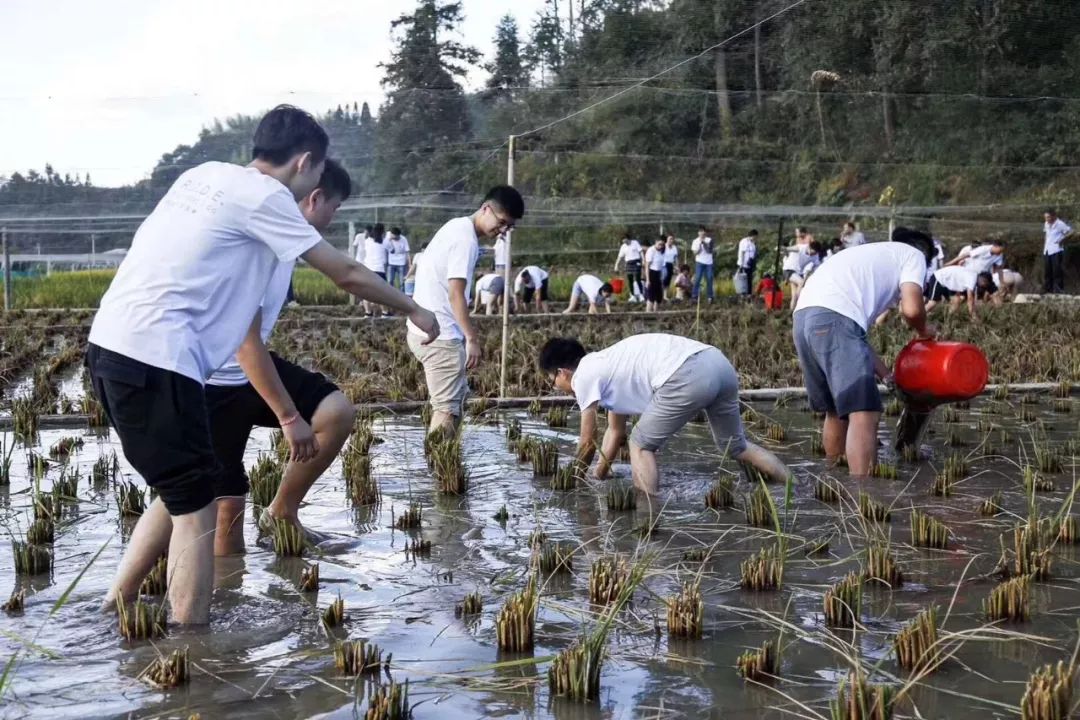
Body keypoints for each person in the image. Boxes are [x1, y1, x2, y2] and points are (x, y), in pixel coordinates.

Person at [86, 106, 439, 625]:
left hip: (111, 347)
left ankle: (115, 603)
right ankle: (191, 640)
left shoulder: (201, 174)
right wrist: (413, 307)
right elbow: (344, 272)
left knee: (184, 492)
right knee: (198, 512)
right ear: (305, 163)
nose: (316, 187)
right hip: (158, 358)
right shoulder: (269, 196)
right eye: (319, 174)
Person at [209, 159, 357, 556]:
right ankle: (224, 599)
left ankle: (282, 513)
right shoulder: (258, 236)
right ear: (315, 198)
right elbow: (242, 339)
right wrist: (289, 416)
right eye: (335, 207)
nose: (333, 216)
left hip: (247, 369)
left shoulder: (289, 241)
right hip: (210, 379)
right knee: (228, 514)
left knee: (335, 411)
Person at [538, 335, 790, 496]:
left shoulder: (583, 376)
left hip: (688, 373)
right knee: (736, 446)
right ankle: (794, 486)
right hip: (717, 363)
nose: (556, 387)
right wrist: (598, 474)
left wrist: (571, 483)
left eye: (552, 382)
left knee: (640, 444)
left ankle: (648, 514)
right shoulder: (608, 367)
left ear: (563, 373)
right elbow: (614, 433)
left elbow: (586, 442)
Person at [792, 227, 936, 478]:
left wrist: (887, 376)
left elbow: (853, 339)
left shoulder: (869, 259)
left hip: (804, 319)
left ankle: (834, 480)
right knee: (864, 411)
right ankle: (863, 495)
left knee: (836, 410)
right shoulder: (914, 256)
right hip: (833, 319)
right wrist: (925, 331)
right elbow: (912, 310)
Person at [409, 185, 524, 435]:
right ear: (486, 209)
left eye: (508, 227)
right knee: (447, 409)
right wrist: (471, 338)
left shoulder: (456, 225)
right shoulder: (466, 241)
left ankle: (445, 464)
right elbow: (455, 294)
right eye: (501, 222)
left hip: (427, 328)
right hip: (441, 336)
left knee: (453, 402)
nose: (502, 230)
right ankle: (439, 469)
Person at [783, 240, 822, 310]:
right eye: (812, 252)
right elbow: (787, 249)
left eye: (814, 254)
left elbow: (817, 266)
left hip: (798, 273)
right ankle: (799, 302)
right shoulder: (801, 248)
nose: (811, 255)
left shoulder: (815, 256)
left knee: (794, 296)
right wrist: (784, 249)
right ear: (809, 247)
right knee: (801, 282)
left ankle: (790, 313)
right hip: (788, 269)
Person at [1043, 209, 1072, 294]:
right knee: (1047, 271)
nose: (1047, 219)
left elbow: (1070, 231)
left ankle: (1059, 290)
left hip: (1056, 250)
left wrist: (1062, 240)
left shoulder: (1060, 224)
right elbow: (1046, 235)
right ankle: (1048, 290)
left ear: (1053, 216)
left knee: (1057, 271)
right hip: (1047, 250)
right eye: (1045, 217)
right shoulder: (1046, 224)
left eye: (1048, 217)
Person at [362, 224, 388, 317]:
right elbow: (392, 250)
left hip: (368, 269)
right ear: (382, 232)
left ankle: (368, 312)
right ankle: (385, 312)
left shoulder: (367, 241)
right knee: (382, 293)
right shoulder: (385, 242)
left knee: (366, 293)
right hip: (379, 270)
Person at [614, 233, 644, 303]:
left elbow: (641, 252)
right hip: (628, 263)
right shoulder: (623, 246)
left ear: (628, 238)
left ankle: (641, 295)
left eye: (624, 240)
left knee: (637, 278)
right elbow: (619, 257)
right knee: (630, 280)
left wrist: (643, 260)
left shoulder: (635, 243)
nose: (624, 242)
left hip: (636, 262)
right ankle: (632, 296)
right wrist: (616, 265)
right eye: (622, 241)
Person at [690, 226, 715, 303]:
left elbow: (710, 251)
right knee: (697, 278)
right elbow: (695, 253)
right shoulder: (695, 241)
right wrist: (699, 248)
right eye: (700, 231)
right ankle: (694, 296)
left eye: (703, 231)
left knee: (709, 278)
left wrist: (704, 244)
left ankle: (710, 296)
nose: (702, 233)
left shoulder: (709, 240)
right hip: (699, 262)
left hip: (709, 263)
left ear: (705, 232)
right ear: (698, 233)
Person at [643, 236, 666, 312]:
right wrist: (648, 280)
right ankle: (648, 315)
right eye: (659, 244)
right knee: (651, 297)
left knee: (658, 298)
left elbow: (662, 265)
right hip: (651, 273)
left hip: (658, 274)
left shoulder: (663, 250)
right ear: (656, 242)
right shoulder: (651, 250)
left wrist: (662, 278)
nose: (661, 246)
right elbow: (647, 266)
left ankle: (655, 314)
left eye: (662, 245)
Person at [386, 227, 411, 291]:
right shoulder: (388, 238)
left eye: (396, 237)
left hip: (401, 263)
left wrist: (409, 263)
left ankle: (402, 297)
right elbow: (388, 249)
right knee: (390, 281)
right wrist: (389, 240)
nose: (394, 238)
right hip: (391, 263)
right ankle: (390, 296)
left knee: (402, 282)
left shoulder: (403, 239)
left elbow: (407, 252)